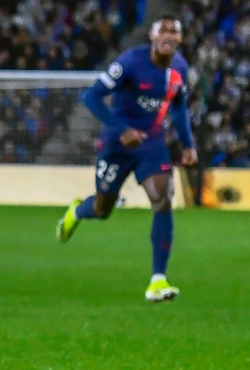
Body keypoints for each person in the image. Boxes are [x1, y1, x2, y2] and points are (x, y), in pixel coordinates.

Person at [56, 17, 198, 303]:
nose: (169, 35)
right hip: (116, 145)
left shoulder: (180, 69)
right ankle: (77, 212)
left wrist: (188, 145)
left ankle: (158, 280)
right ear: (152, 36)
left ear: (181, 39)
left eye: (175, 31)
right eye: (164, 30)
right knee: (102, 208)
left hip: (152, 144)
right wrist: (120, 130)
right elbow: (92, 96)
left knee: (163, 198)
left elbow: (179, 108)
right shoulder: (131, 62)